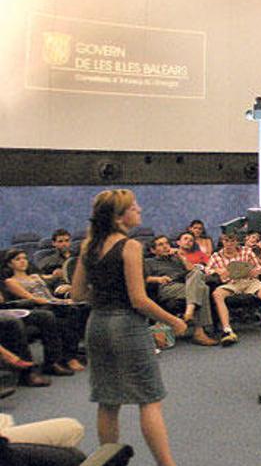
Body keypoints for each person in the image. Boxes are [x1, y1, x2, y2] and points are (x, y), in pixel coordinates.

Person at [71, 189, 186, 466]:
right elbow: (139, 300)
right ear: (120, 217)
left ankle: (108, 461)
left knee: (108, 401)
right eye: (134, 207)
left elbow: (76, 293)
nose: (140, 210)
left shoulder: (88, 246)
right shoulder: (131, 247)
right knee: (150, 399)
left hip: (97, 325)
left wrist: (105, 298)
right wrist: (174, 321)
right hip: (127, 327)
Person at [2, 249, 85, 372]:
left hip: (52, 302)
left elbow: (51, 285)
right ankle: (68, 358)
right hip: (36, 306)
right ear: (10, 264)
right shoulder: (10, 281)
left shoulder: (35, 276)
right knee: (68, 312)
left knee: (79, 309)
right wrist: (61, 302)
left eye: (24, 258)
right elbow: (32, 298)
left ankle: (69, 355)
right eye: (18, 259)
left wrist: (61, 291)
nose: (23, 261)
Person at [144, 236, 218, 346]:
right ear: (153, 250)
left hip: (185, 284)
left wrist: (181, 256)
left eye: (167, 243)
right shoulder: (149, 262)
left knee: (199, 276)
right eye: (160, 245)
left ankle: (189, 311)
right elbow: (142, 278)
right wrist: (158, 279)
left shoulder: (176, 258)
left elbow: (191, 271)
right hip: (168, 286)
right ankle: (199, 332)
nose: (165, 246)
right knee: (202, 289)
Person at [205, 232, 261, 346]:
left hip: (249, 281)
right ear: (222, 241)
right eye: (226, 241)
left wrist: (256, 270)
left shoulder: (247, 251)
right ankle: (227, 330)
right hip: (231, 283)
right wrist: (217, 271)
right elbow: (207, 271)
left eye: (232, 241)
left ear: (236, 241)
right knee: (217, 294)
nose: (229, 244)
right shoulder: (216, 256)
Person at [36, 228, 73, 294]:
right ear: (54, 243)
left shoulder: (78, 257)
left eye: (67, 241)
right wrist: (53, 276)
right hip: (61, 286)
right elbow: (38, 277)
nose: (64, 244)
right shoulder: (48, 260)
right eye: (60, 241)